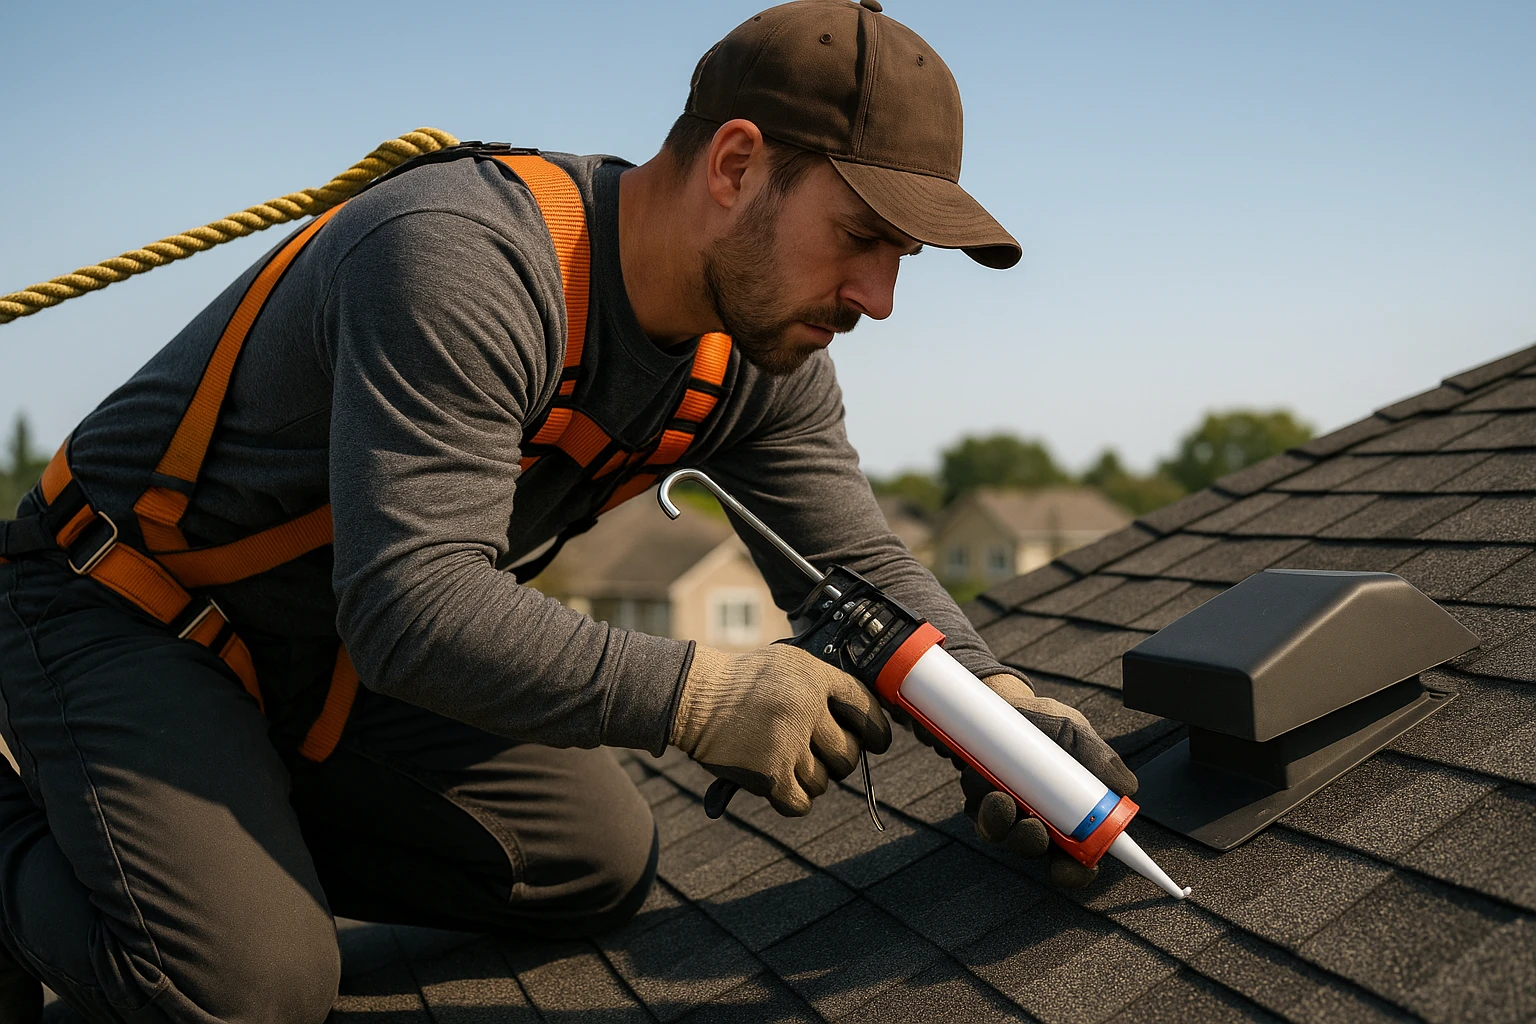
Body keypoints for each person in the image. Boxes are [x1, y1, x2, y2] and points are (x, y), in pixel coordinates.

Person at [0, 2, 1137, 1021]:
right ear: (736, 166)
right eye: (860, 238)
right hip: (118, 608)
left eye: (902, 258)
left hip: (321, 653)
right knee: (248, 991)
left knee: (588, 860)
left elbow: (856, 561)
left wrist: (994, 706)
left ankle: (204, 836)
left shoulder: (757, 354)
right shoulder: (462, 258)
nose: (879, 300)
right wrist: (703, 693)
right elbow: (412, 606)